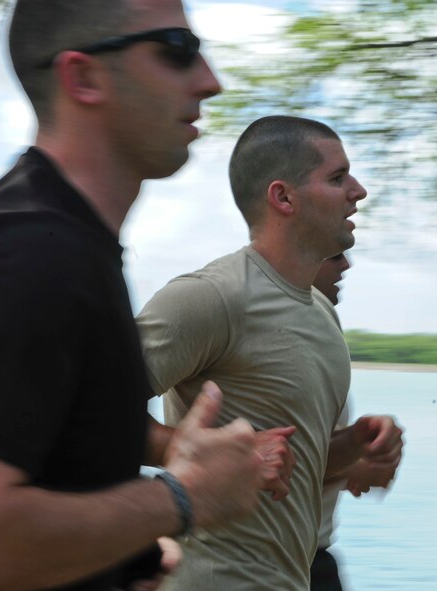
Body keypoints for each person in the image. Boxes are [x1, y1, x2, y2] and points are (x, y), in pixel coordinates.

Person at [0, 1, 268, 590]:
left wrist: (132, 563)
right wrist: (184, 498)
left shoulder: (63, 244)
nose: (210, 80)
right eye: (177, 49)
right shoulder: (31, 253)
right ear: (83, 77)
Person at [136, 115, 405, 591]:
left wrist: (354, 447)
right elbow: (83, 416)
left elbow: (296, 466)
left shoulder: (322, 313)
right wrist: (177, 447)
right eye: (338, 177)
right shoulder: (210, 298)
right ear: (283, 197)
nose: (358, 191)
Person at [310, 252, 404, 591]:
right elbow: (269, 459)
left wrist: (363, 455)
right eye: (333, 255)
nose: (346, 265)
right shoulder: (235, 309)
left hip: (314, 561)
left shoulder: (319, 326)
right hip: (263, 565)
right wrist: (353, 463)